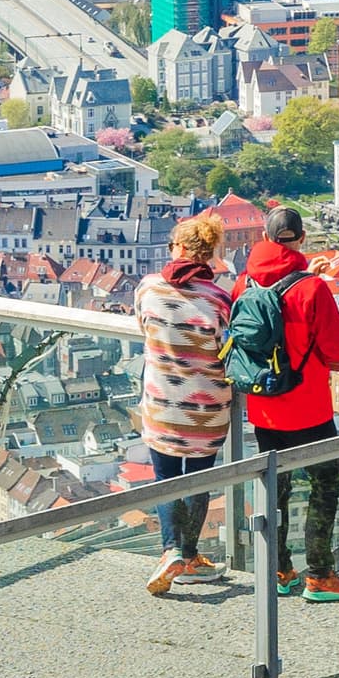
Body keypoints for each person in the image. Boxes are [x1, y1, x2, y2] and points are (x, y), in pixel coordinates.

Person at [235, 203, 339, 602]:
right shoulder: (312, 288)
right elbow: (336, 347)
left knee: (275, 491)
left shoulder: (244, 285)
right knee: (324, 486)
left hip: (264, 407)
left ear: (265, 240)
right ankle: (320, 575)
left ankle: (278, 569)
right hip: (309, 408)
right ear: (302, 239)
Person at [131, 213, 235, 597]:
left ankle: (171, 551)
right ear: (210, 255)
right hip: (207, 407)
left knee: (166, 480)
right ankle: (188, 556)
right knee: (199, 480)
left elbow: (144, 328)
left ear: (177, 248)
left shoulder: (148, 289)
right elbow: (227, 349)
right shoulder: (220, 299)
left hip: (161, 402)